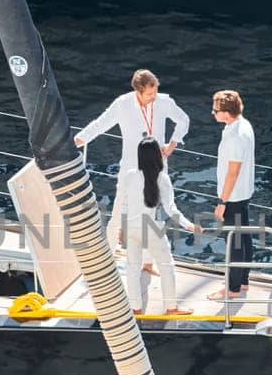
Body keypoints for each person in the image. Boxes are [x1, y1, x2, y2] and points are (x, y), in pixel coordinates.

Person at [74, 69, 189, 245]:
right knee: (120, 207)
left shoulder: (163, 101)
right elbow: (100, 125)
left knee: (150, 212)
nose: (154, 96)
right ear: (138, 91)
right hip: (131, 164)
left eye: (155, 91)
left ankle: (147, 261)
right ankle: (110, 251)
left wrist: (172, 145)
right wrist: (76, 141)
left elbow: (183, 119)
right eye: (150, 93)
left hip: (157, 165)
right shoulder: (123, 104)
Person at [121, 137, 201, 316]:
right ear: (157, 155)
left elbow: (124, 205)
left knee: (132, 269)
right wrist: (189, 225)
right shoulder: (162, 178)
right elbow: (171, 209)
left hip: (132, 228)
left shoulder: (130, 176)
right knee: (167, 266)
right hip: (151, 228)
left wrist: (121, 227)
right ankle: (171, 307)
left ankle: (136, 309)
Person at [209, 89, 254, 301]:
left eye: (216, 110)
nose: (213, 113)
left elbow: (233, 172)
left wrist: (222, 202)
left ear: (226, 113)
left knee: (234, 242)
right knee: (244, 237)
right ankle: (243, 281)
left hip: (233, 196)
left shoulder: (236, 136)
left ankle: (232, 289)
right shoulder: (240, 125)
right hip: (243, 193)